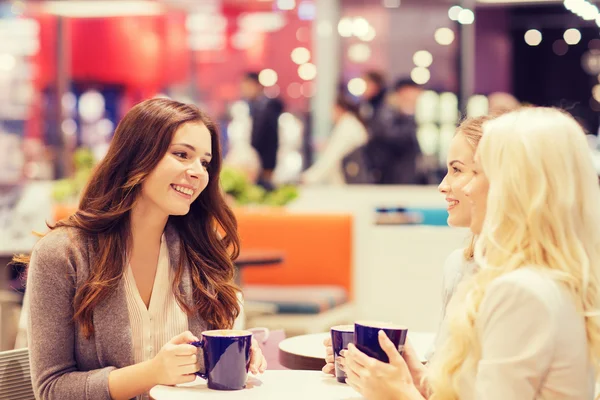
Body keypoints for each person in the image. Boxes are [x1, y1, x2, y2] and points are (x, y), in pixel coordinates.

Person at [19, 98, 267, 400]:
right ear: (137, 156)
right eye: (181, 154)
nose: (198, 172)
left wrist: (230, 350)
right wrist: (151, 373)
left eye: (205, 162)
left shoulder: (199, 249)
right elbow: (52, 389)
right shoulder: (63, 254)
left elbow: (195, 365)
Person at [344, 107, 599, 399]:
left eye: (477, 172)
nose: (466, 187)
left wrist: (399, 395)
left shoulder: (523, 291)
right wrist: (419, 379)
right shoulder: (546, 280)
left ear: (518, 186)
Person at [322, 114, 493, 396]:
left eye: (458, 170)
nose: (443, 185)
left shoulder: (520, 290)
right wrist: (407, 371)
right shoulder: (460, 266)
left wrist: (399, 393)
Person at [302, 94, 369, 185]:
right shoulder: (350, 124)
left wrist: (309, 178)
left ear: (339, 109)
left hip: (350, 183)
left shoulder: (347, 127)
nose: (330, 115)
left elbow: (331, 157)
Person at [366, 78, 423, 184]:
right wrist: (408, 116)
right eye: (411, 97)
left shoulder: (400, 115)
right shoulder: (386, 113)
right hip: (390, 180)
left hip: (401, 179)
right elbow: (392, 138)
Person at [240, 72, 284, 187]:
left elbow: (272, 140)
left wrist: (268, 167)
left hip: (265, 164)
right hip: (255, 162)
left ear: (257, 85)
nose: (245, 90)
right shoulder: (253, 106)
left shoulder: (267, 107)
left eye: (248, 86)